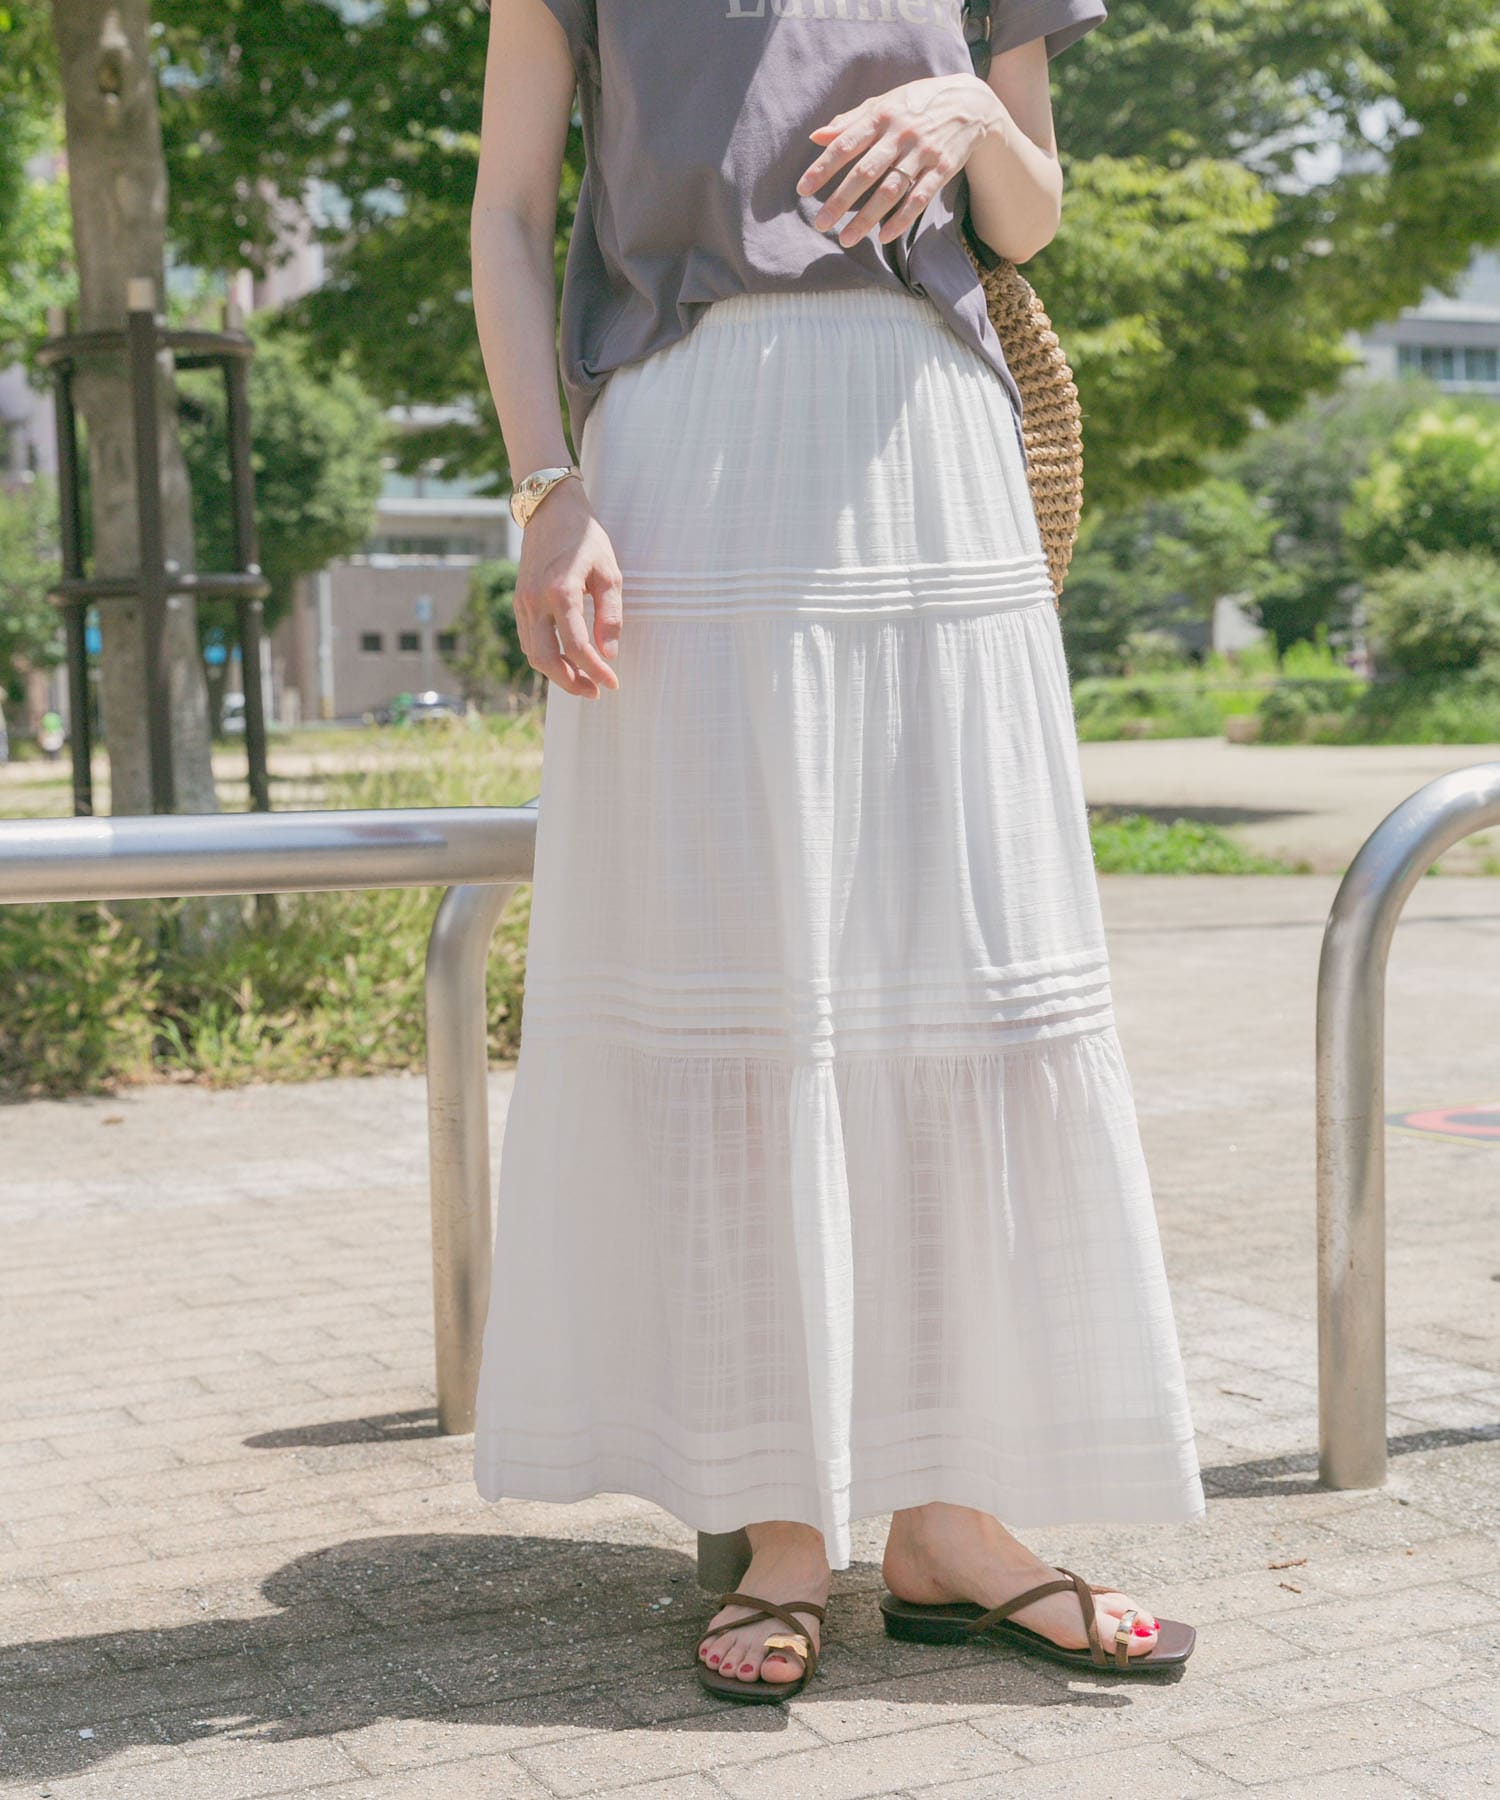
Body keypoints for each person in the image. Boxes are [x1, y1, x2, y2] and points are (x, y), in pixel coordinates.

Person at [470, 0, 1205, 1703]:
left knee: (964, 1004)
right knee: (735, 1010)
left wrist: (968, 114)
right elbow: (508, 211)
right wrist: (544, 489)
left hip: (928, 447)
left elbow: (1031, 213)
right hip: (685, 456)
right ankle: (780, 1522)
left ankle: (950, 1526)